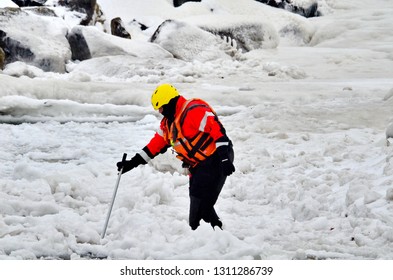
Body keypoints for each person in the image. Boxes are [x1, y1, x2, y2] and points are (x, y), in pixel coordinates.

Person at [117, 84, 235, 230]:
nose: (160, 112)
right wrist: (131, 164)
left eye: (161, 108)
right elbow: (153, 146)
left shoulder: (194, 111)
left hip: (217, 159)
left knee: (204, 208)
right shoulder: (168, 124)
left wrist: (224, 158)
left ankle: (220, 241)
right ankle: (213, 237)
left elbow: (217, 130)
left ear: (169, 102)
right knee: (195, 218)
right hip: (199, 166)